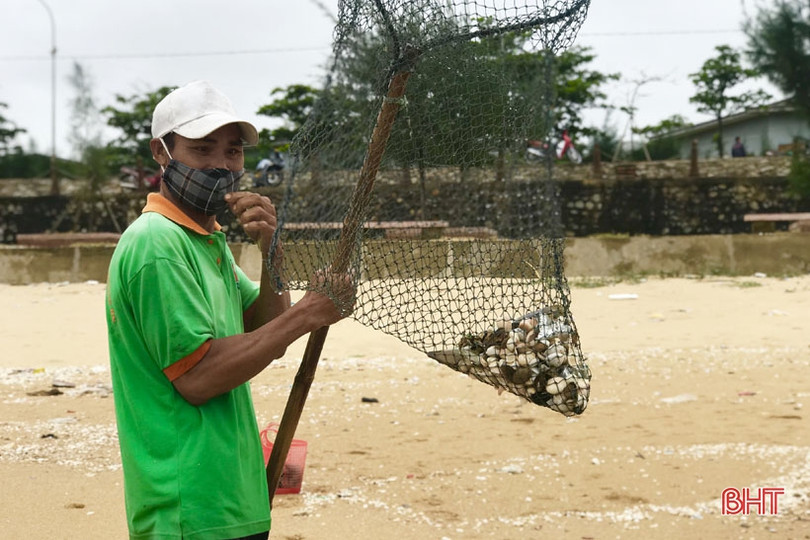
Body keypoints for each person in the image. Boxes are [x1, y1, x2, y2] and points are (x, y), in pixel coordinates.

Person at [105, 80, 354, 540]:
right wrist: (308, 313)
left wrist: (271, 248)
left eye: (233, 152)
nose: (221, 165)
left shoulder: (207, 240)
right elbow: (198, 378)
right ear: (161, 152)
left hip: (231, 499)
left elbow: (266, 330)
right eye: (202, 149)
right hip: (188, 508)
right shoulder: (157, 244)